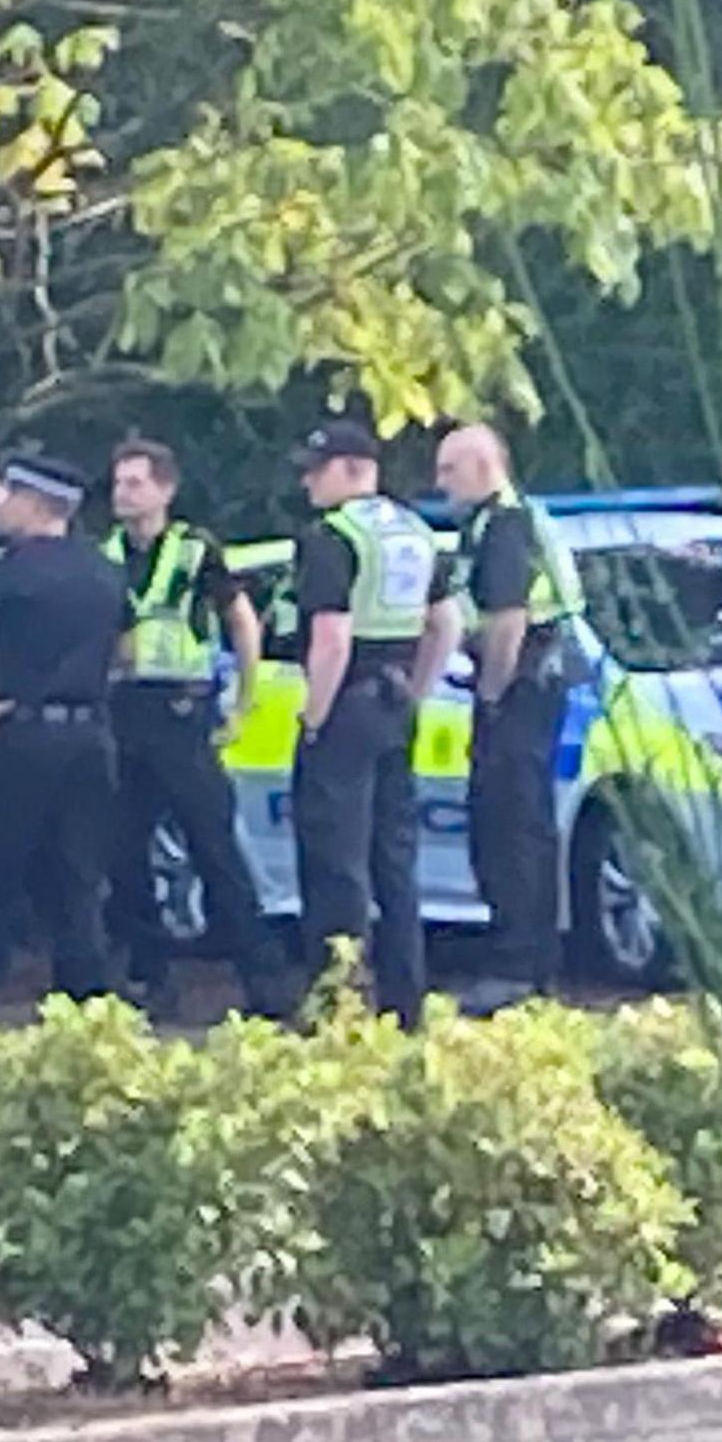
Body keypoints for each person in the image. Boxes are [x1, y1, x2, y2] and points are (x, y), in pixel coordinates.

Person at [0, 454, 128, 1050]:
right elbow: (128, 650)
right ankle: (85, 1016)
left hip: (24, 736)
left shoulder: (11, 570)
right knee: (80, 878)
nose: (2, 504)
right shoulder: (105, 570)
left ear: (38, 505)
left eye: (12, 495)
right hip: (92, 737)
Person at [98, 438, 292, 1019]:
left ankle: (265, 984)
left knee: (215, 849)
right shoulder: (106, 553)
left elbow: (241, 621)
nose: (122, 494)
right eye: (118, 483)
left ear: (164, 490)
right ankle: (149, 977)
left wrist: (244, 700)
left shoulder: (193, 551)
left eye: (134, 483)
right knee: (123, 854)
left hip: (183, 712)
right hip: (126, 708)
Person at [281, 420, 461, 1023]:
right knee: (395, 860)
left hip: (349, 702)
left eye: (317, 469)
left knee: (337, 862)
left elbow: (329, 639)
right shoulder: (416, 530)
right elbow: (447, 625)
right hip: (394, 703)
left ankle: (339, 1006)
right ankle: (406, 1003)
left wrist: (314, 717)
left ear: (355, 469)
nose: (308, 481)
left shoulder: (332, 536)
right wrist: (417, 689)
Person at [436, 424, 587, 1013]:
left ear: (481, 466)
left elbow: (507, 621)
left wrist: (492, 693)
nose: (440, 482)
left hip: (520, 689)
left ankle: (520, 968)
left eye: (450, 469)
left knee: (511, 831)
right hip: (533, 686)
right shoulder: (507, 521)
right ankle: (525, 962)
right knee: (513, 827)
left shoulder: (504, 527)